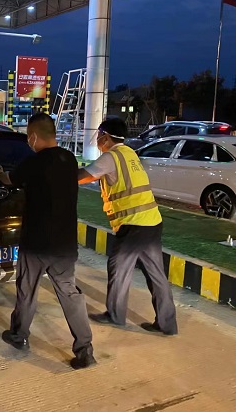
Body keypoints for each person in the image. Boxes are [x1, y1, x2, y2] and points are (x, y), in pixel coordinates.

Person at [0, 113, 96, 370]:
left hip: (36, 244)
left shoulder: (33, 163)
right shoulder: (69, 159)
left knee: (27, 291)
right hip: (64, 244)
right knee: (70, 294)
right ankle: (85, 350)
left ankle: (18, 336)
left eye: (29, 137)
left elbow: (10, 180)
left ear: (33, 136)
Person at [77, 118, 178, 335]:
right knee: (156, 274)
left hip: (134, 224)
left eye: (99, 135)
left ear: (105, 136)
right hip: (152, 221)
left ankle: (115, 315)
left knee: (118, 267)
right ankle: (167, 324)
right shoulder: (130, 154)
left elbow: (82, 176)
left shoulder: (111, 157)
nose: (97, 139)